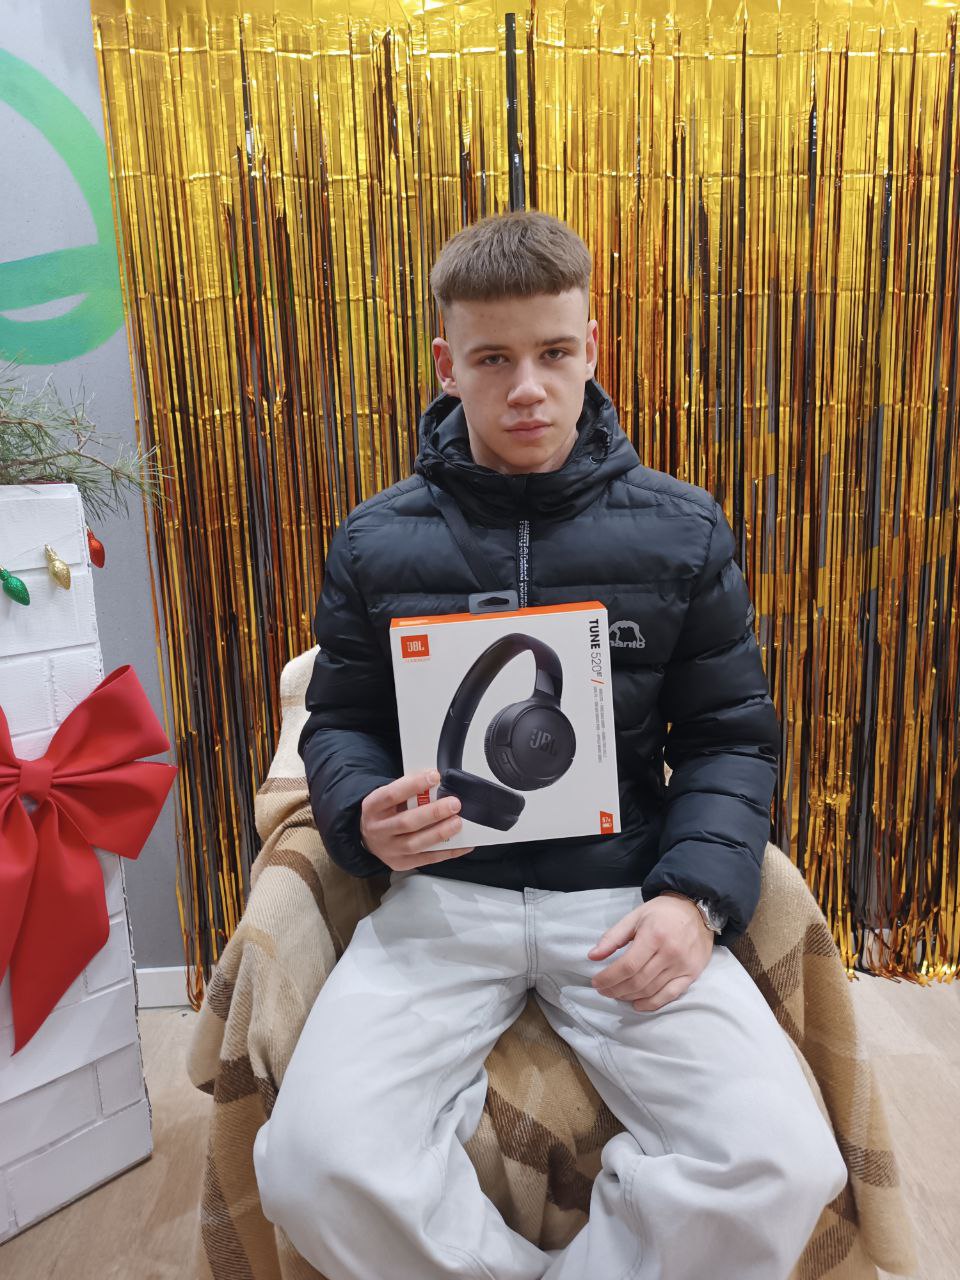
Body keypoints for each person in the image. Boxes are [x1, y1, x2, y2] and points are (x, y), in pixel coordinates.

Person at [253, 211, 847, 1280]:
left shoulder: (684, 530)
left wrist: (693, 898)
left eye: (554, 352)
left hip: (622, 896)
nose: (527, 387)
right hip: (443, 897)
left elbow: (730, 738)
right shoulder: (374, 540)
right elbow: (340, 720)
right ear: (447, 367)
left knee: (785, 1162)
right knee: (306, 1166)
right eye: (493, 358)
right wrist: (359, 815)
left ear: (591, 350)